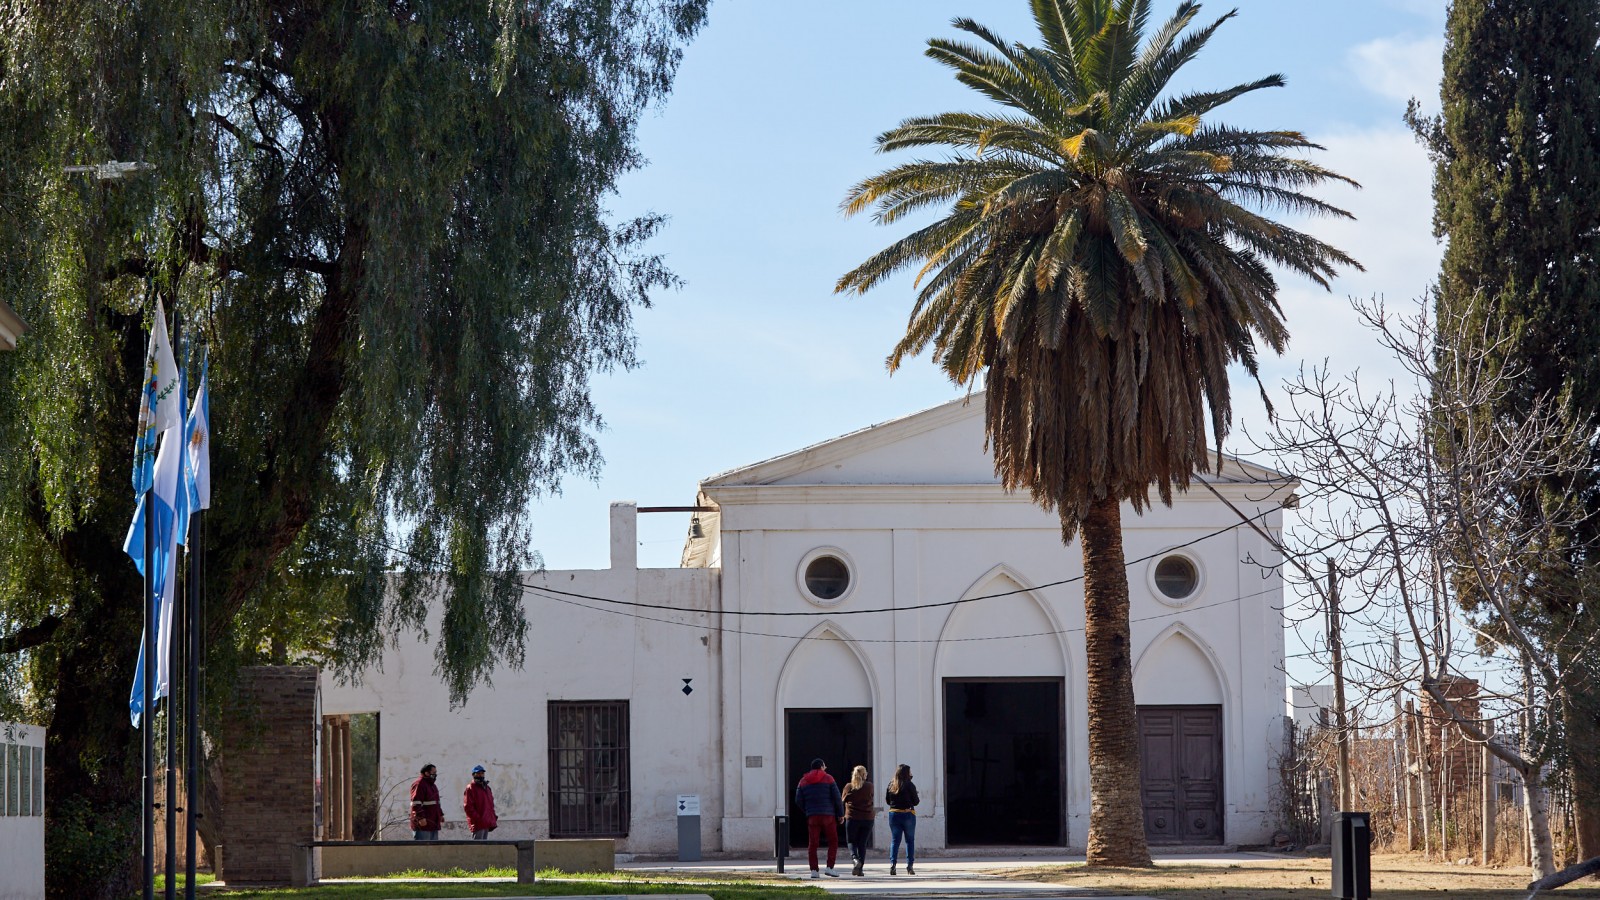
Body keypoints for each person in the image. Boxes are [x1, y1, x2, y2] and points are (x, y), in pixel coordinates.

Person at [794, 757, 844, 878]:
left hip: (812, 816)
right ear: (821, 766)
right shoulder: (829, 778)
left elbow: (798, 800)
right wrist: (840, 814)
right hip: (828, 816)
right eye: (824, 766)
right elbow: (837, 798)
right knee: (833, 841)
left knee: (813, 844)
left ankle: (814, 871)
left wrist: (807, 810)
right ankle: (830, 867)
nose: (825, 768)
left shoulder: (803, 781)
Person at [840, 764, 875, 876]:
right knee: (862, 844)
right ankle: (860, 870)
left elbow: (843, 801)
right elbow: (871, 797)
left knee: (851, 841)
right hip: (867, 818)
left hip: (852, 817)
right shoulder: (869, 786)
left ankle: (855, 860)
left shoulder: (848, 787)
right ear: (864, 774)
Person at [885, 763, 918, 875]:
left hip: (894, 814)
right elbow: (916, 802)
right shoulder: (909, 785)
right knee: (909, 841)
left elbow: (888, 801)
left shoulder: (891, 784)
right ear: (906, 773)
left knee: (895, 841)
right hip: (907, 814)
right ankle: (909, 866)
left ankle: (892, 864)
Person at [409, 763, 443, 839]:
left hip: (433, 823)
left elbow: (436, 803)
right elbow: (416, 803)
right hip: (423, 825)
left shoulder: (432, 785)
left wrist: (440, 814)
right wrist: (420, 818)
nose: (435, 775)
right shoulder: (419, 784)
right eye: (433, 773)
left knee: (433, 849)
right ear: (426, 773)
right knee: (423, 848)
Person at [463, 764, 498, 839]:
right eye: (478, 773)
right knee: (477, 846)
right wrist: (478, 818)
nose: (480, 775)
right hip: (478, 823)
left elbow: (490, 804)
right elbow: (468, 807)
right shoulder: (470, 788)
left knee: (484, 846)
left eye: (482, 773)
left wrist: (493, 817)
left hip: (486, 822)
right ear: (473, 775)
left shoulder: (487, 788)